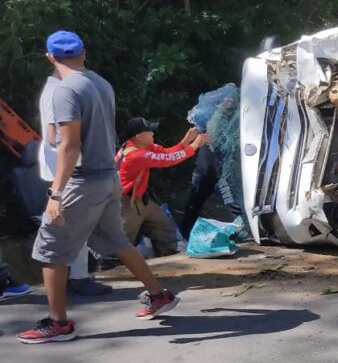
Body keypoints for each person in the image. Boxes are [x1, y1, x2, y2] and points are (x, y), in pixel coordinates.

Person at [18, 31, 182, 344]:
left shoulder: (64, 91)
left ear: (50, 57)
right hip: (108, 177)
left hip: (82, 181)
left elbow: (65, 144)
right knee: (118, 242)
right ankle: (159, 295)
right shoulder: (101, 83)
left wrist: (56, 193)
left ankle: (58, 323)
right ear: (84, 53)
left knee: (51, 250)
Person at [38, 70, 112, 296]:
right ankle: (77, 278)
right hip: (66, 169)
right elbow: (55, 136)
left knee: (70, 224)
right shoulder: (60, 91)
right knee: (75, 224)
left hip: (64, 168)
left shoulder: (58, 88)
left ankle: (74, 276)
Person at [117, 117, 208, 256]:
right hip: (127, 205)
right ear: (140, 136)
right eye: (150, 132)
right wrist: (195, 145)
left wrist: (187, 140)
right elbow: (169, 160)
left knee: (165, 229)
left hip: (141, 201)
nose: (153, 134)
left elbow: (166, 153)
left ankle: (169, 260)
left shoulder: (135, 145)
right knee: (121, 245)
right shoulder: (136, 155)